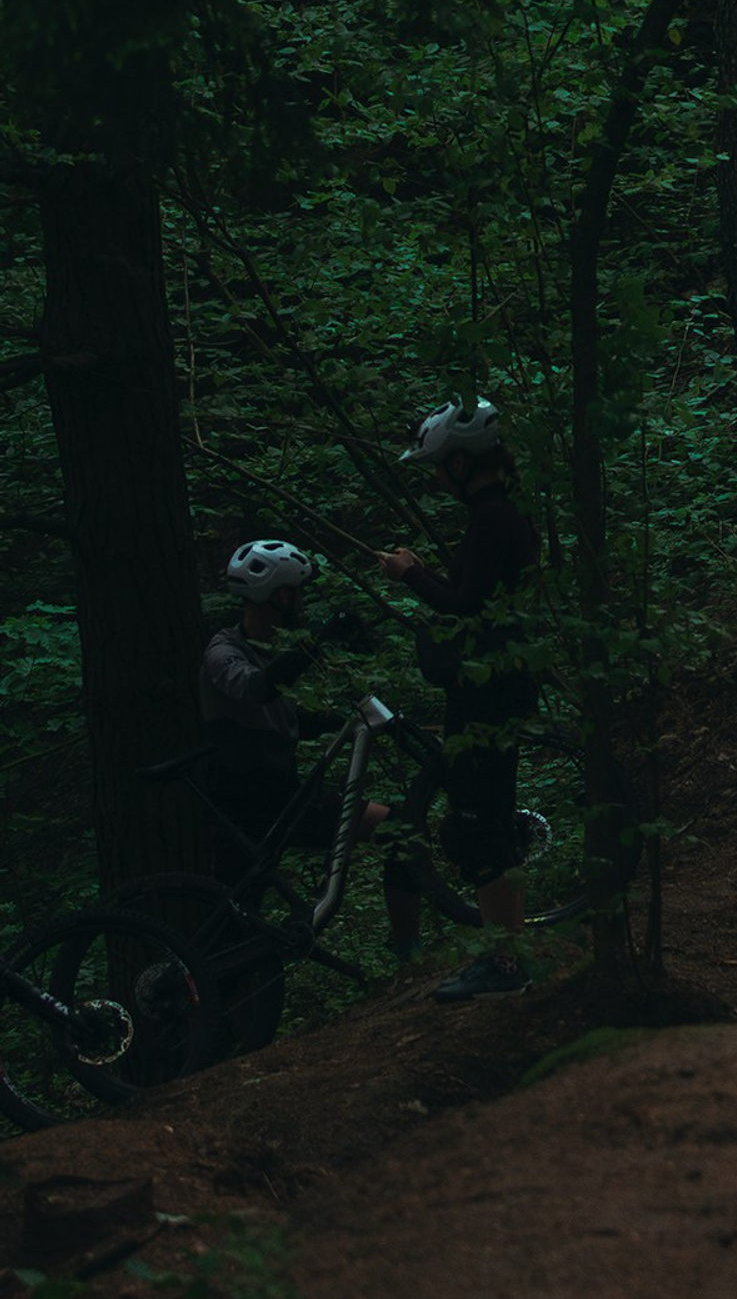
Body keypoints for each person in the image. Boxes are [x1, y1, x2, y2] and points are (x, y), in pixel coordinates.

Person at [378, 398, 542, 1004]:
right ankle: (507, 955)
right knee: (482, 819)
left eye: (438, 468)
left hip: (487, 691)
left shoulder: (493, 517)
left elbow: (465, 606)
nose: (436, 481)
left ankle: (504, 963)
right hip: (496, 683)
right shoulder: (502, 514)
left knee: (478, 824)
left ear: (460, 463)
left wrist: (410, 577)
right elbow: (477, 595)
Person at [199, 540, 391, 891]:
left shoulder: (272, 651)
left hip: (282, 798)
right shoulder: (223, 652)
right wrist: (318, 639)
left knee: (393, 828)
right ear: (280, 596)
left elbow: (279, 719)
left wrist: (337, 720)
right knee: (235, 909)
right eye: (297, 593)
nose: (301, 602)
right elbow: (258, 690)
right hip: (245, 809)